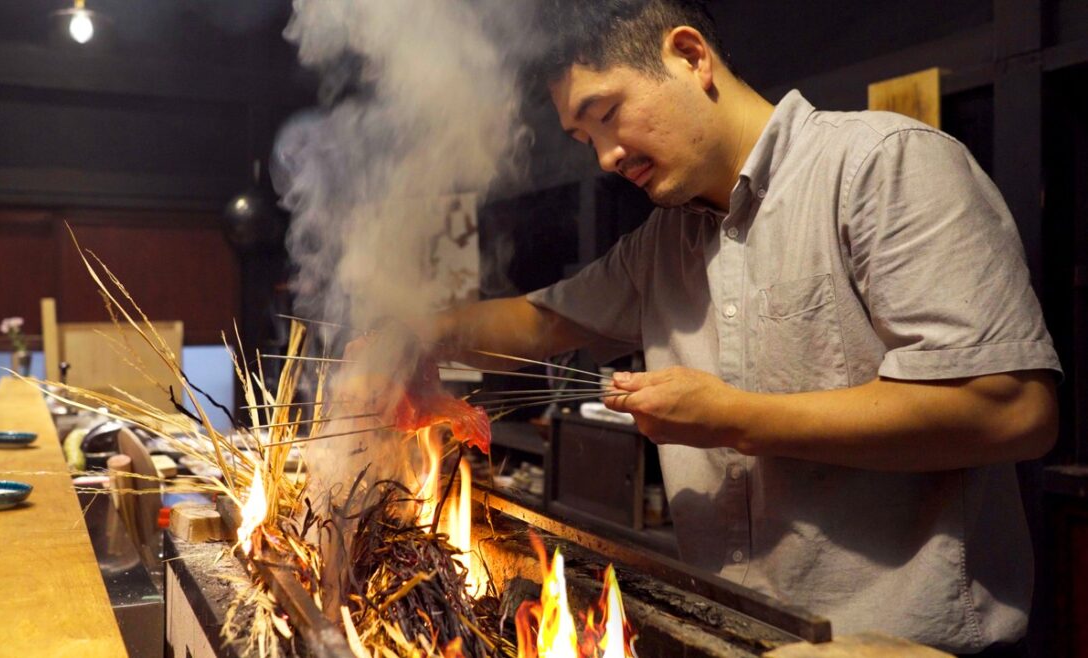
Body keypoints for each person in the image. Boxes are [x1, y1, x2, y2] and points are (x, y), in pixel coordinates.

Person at [354, 1, 1061, 654]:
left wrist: (734, 419)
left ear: (690, 56)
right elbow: (540, 322)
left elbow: (1013, 408)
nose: (604, 157)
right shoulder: (669, 241)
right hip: (737, 636)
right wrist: (413, 333)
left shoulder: (880, 165)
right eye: (583, 136)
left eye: (607, 114)